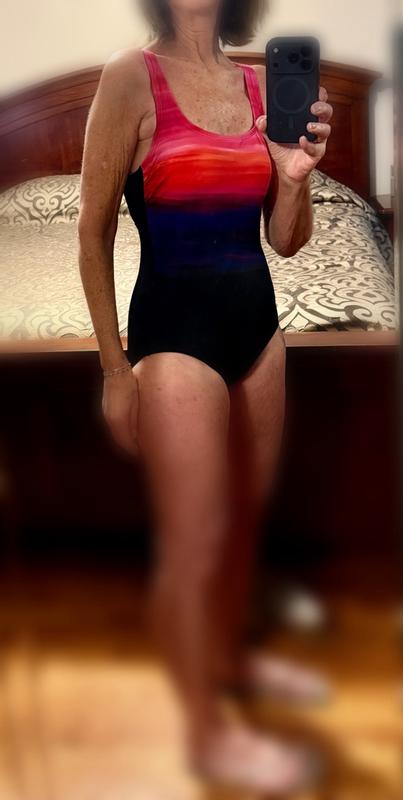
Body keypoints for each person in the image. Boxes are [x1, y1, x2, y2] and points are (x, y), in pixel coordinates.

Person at [78, 0, 333, 792]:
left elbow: (285, 241)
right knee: (193, 545)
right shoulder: (130, 78)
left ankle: (228, 659)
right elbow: (91, 230)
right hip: (173, 342)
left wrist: (294, 177)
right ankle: (205, 733)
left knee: (244, 521)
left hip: (257, 333)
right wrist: (115, 371)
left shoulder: (258, 86)